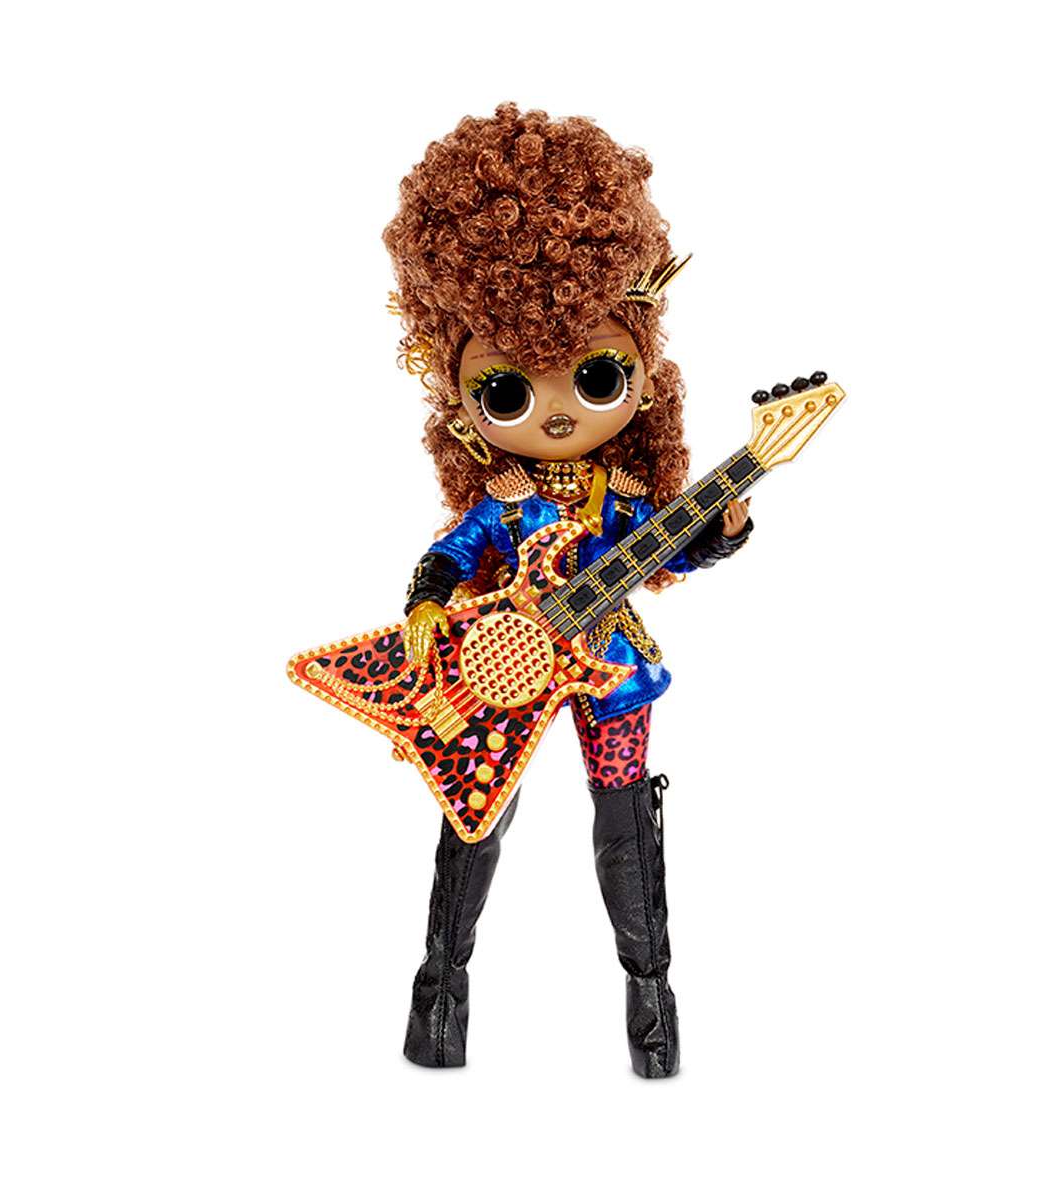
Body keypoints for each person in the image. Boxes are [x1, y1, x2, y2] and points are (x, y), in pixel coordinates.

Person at [381, 102, 752, 1077]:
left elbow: (665, 552)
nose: (551, 414)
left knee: (626, 826)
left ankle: (651, 1008)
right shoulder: (502, 503)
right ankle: (440, 998)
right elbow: (449, 557)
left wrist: (719, 532)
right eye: (507, 390)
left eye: (594, 376)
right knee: (474, 811)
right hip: (497, 666)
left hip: (609, 672)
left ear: (643, 372)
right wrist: (428, 611)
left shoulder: (617, 494)